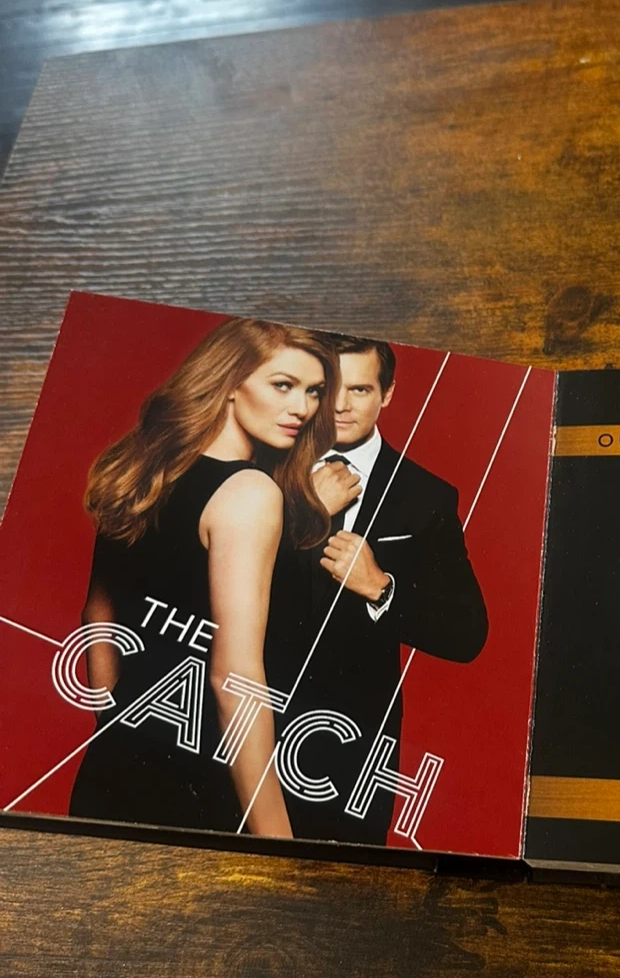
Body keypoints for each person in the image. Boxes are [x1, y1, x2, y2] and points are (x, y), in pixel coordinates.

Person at [68, 318, 338, 838]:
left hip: (115, 761)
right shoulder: (250, 494)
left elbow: (98, 616)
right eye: (283, 385)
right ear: (231, 381)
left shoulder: (144, 467)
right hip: (203, 778)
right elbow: (234, 682)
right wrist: (279, 840)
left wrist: (115, 722)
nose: (303, 408)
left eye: (313, 391)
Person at [280, 336, 488, 844]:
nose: (341, 406)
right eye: (329, 388)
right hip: (248, 709)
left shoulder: (426, 495)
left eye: (360, 389)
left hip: (354, 739)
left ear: (387, 394)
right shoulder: (265, 465)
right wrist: (304, 515)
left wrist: (380, 588)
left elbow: (467, 633)